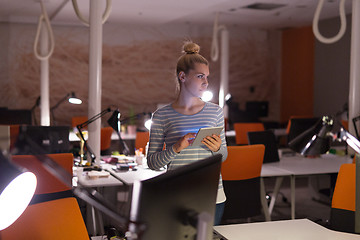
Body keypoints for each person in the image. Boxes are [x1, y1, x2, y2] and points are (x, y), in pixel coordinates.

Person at [147, 41, 228, 225]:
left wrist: (217, 150)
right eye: (200, 76)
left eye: (207, 76)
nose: (206, 82)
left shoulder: (215, 112)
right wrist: (175, 148)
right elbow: (152, 162)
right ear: (182, 76)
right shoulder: (161, 116)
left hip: (212, 195)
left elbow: (224, 155)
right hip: (175, 196)